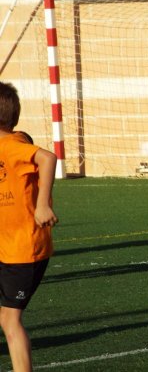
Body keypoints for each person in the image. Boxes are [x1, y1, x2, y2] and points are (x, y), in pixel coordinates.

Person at [0, 82, 59, 372]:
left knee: (9, 321)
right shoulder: (15, 140)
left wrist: (43, 204)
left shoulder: (12, 147)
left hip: (24, 249)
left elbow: (47, 158)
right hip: (6, 245)